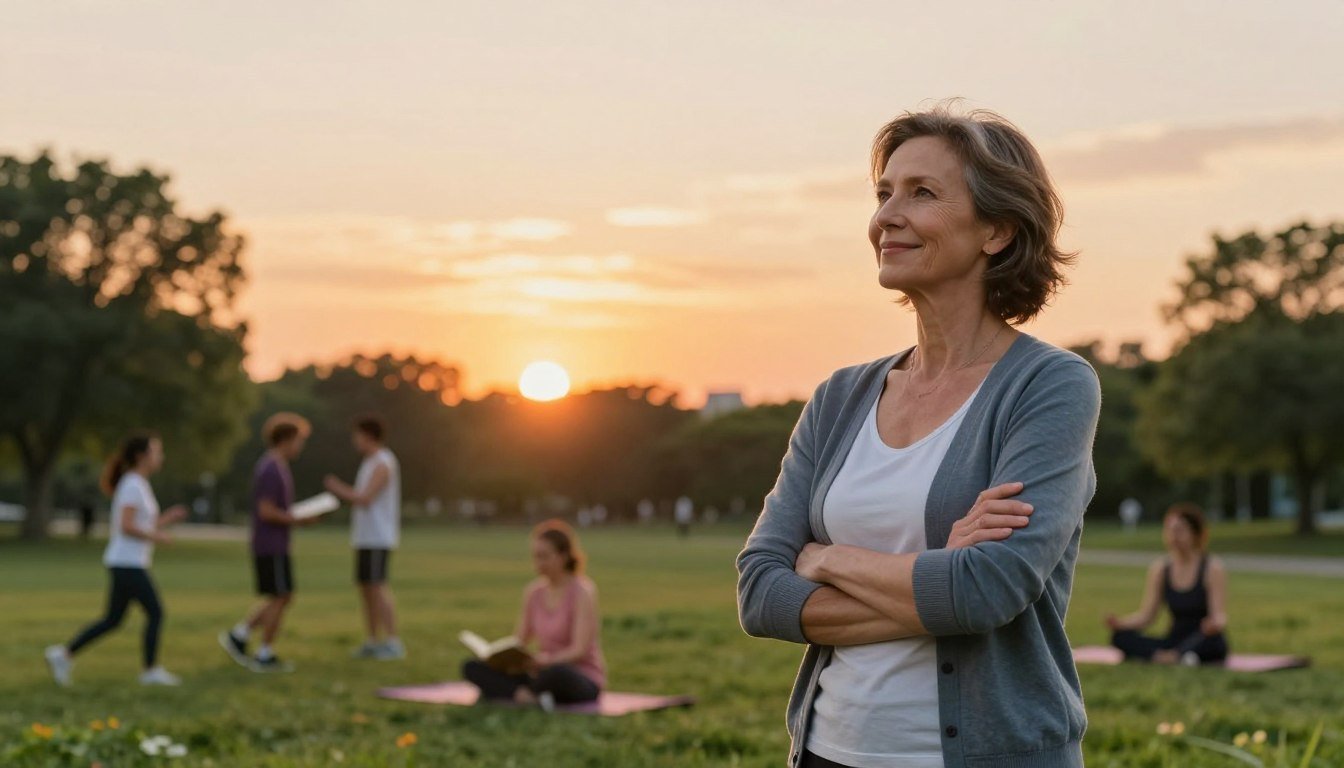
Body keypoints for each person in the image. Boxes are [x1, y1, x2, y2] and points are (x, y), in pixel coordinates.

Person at [736, 104, 1101, 768]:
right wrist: (937, 578)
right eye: (883, 194)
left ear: (995, 229)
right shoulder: (839, 397)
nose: (885, 217)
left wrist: (823, 558)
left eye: (922, 193)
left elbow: (987, 590)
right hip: (827, 751)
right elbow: (759, 592)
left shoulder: (1050, 386)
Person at [45, 432, 188, 686]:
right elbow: (126, 526)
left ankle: (63, 655)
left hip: (126, 562)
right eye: (157, 452)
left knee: (113, 620)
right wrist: (157, 538)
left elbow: (145, 523)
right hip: (127, 562)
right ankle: (150, 671)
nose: (161, 457)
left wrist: (167, 519)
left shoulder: (139, 483)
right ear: (142, 456)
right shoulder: (133, 484)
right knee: (156, 612)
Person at [462, 520, 606, 710]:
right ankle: (526, 696)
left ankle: (515, 691)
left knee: (556, 674)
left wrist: (545, 661)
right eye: (535, 556)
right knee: (472, 667)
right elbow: (520, 640)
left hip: (576, 675)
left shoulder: (582, 592)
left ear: (563, 556)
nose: (538, 563)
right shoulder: (534, 593)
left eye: (544, 556)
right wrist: (502, 659)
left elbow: (578, 650)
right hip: (540, 671)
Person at [219, 413, 315, 673]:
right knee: (282, 596)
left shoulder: (275, 466)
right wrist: (297, 520)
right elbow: (266, 510)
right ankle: (264, 653)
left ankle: (240, 635)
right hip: (271, 544)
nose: (300, 446)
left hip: (274, 543)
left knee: (281, 596)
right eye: (298, 440)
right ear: (285, 439)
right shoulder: (271, 468)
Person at [1105, 503, 1229, 665]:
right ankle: (1174, 657)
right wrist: (1121, 623)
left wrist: (1216, 623)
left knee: (1215, 643)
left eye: (1179, 530)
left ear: (1195, 534)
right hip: (1174, 640)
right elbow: (1147, 616)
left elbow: (1218, 615)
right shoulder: (1161, 569)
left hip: (1201, 638)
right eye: (1169, 530)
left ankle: (1179, 656)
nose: (1173, 536)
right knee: (1120, 637)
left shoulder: (1212, 568)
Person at [324, 414, 404, 660]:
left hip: (379, 537)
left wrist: (337, 489)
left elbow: (365, 498)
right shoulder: (369, 462)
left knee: (378, 587)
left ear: (368, 435)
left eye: (357, 435)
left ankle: (392, 641)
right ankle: (372, 640)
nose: (354, 441)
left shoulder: (383, 462)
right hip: (365, 537)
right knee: (366, 589)